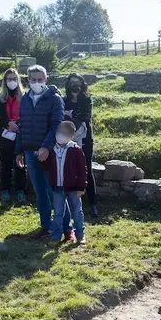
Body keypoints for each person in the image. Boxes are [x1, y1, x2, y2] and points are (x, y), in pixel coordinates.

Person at [15, 64, 63, 237]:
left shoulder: (55, 99)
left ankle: (64, 226)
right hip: (29, 151)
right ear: (28, 80)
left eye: (40, 79)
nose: (36, 82)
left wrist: (46, 147)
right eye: (33, 80)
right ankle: (46, 226)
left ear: (46, 79)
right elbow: (22, 126)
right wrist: (19, 151)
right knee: (40, 192)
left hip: (49, 151)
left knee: (54, 190)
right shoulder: (25, 99)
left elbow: (56, 125)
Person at [39, 120, 87, 246]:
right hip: (57, 187)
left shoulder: (76, 150)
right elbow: (46, 166)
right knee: (58, 213)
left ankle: (80, 235)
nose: (61, 136)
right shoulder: (52, 149)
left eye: (65, 134)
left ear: (71, 136)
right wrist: (41, 159)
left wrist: (82, 186)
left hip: (73, 187)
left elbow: (82, 170)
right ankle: (56, 236)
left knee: (76, 211)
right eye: (60, 133)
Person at [63, 73, 98, 217]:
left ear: (82, 84)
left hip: (85, 139)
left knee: (86, 169)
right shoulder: (64, 101)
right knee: (70, 169)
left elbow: (85, 116)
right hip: (68, 138)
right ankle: (73, 204)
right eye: (72, 82)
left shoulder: (87, 100)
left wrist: (70, 116)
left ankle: (93, 203)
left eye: (77, 82)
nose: (74, 85)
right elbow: (62, 118)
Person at [0, 68, 28, 204]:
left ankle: (20, 191)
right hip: (5, 134)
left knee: (20, 164)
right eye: (9, 79)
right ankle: (5, 190)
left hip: (20, 133)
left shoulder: (24, 96)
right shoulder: (0, 97)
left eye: (14, 79)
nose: (11, 81)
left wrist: (18, 124)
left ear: (18, 80)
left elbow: (27, 114)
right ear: (5, 81)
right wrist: (8, 123)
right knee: (5, 164)